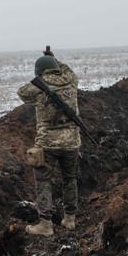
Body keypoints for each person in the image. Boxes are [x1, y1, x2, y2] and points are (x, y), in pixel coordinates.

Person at [17, 46, 81, 237]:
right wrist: (55, 60)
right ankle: (70, 219)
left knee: (43, 181)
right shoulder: (72, 80)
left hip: (47, 144)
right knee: (70, 179)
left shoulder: (38, 86)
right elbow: (66, 69)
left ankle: (45, 224)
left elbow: (22, 92)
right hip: (72, 142)